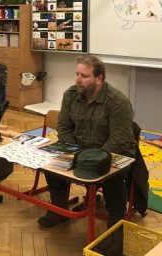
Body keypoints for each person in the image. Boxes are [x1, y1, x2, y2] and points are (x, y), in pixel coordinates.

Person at [38, 55, 137, 229]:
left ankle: (115, 223)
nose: (77, 79)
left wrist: (92, 159)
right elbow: (64, 127)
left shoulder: (118, 101)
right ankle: (59, 209)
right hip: (79, 148)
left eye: (84, 76)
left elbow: (118, 139)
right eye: (77, 74)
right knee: (52, 164)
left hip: (113, 151)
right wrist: (73, 152)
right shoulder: (71, 95)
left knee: (112, 178)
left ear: (99, 79)